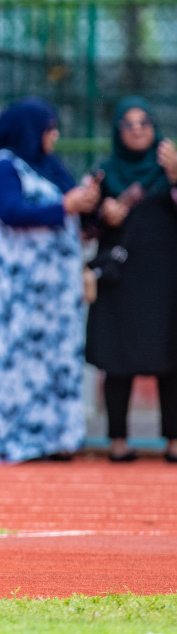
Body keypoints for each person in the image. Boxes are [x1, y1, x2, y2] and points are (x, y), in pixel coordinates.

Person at [0, 97, 99, 464]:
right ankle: (15, 442)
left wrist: (91, 204)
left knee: (57, 361)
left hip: (56, 294)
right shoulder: (4, 167)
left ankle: (57, 439)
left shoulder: (52, 169)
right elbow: (12, 211)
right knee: (18, 364)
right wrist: (64, 207)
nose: (55, 135)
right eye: (49, 128)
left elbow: (73, 216)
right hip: (17, 291)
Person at [84, 97, 177, 462]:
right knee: (116, 359)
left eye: (145, 123)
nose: (138, 131)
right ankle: (117, 441)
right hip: (120, 280)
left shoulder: (167, 169)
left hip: (166, 279)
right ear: (117, 131)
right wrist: (103, 215)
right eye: (129, 124)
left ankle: (173, 440)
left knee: (171, 359)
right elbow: (83, 228)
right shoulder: (104, 172)